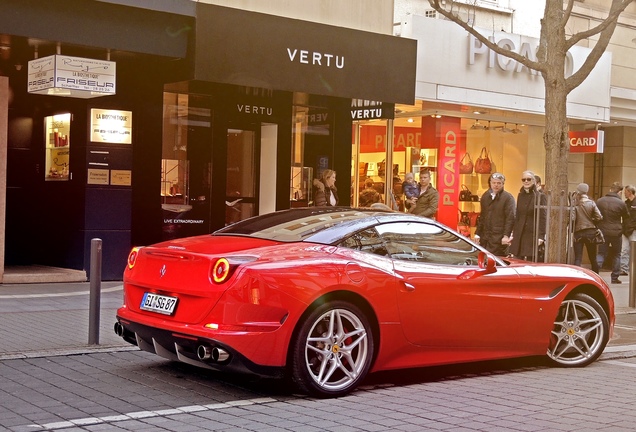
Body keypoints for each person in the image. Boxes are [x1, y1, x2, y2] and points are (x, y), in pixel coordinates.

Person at [596, 181, 630, 283]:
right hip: (616, 232)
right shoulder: (621, 203)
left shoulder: (600, 201)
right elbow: (626, 217)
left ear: (611, 189)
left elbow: (596, 215)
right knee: (617, 254)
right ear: (619, 192)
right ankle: (615, 277)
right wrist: (622, 229)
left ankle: (595, 274)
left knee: (601, 253)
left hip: (603, 230)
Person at [474, 172, 516, 256]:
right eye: (494, 182)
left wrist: (506, 236)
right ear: (490, 183)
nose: (496, 185)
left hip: (499, 237)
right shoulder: (485, 196)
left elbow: (510, 218)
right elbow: (482, 216)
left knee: (497, 261)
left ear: (503, 184)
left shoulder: (508, 198)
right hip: (485, 237)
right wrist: (477, 233)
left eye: (499, 183)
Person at [509, 171, 547, 261]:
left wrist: (541, 236)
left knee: (531, 260)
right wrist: (513, 233)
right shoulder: (520, 196)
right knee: (517, 259)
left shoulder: (540, 196)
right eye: (524, 179)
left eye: (528, 179)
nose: (526, 181)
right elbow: (517, 215)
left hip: (532, 233)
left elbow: (543, 217)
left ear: (533, 181)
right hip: (520, 233)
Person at [572, 183, 603, 273]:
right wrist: (592, 219)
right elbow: (599, 217)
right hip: (591, 232)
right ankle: (596, 275)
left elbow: (572, 218)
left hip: (578, 232)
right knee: (593, 257)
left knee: (578, 257)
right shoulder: (591, 203)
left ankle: (576, 275)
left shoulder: (575, 203)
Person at [620, 184, 636, 276]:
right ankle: (624, 269)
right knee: (624, 250)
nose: (624, 193)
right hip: (625, 230)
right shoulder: (625, 203)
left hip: (633, 230)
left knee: (633, 250)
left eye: (625, 192)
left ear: (630, 192)